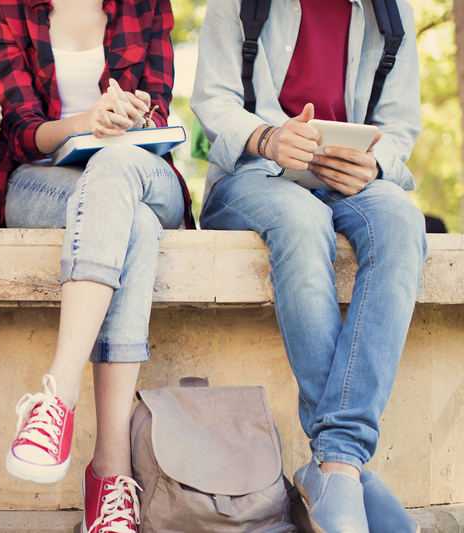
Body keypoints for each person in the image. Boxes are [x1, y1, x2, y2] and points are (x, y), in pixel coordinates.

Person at [191, 1, 425, 532]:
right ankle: (345, 468)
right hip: (254, 176)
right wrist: (269, 138)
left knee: (403, 225)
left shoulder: (393, 12)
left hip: (350, 180)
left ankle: (335, 464)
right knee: (302, 221)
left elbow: (400, 126)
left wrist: (376, 162)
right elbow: (213, 99)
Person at [0, 0, 193, 531]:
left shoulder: (147, 6)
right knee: (134, 227)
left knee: (118, 166)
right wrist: (84, 123)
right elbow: (21, 130)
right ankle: (110, 473)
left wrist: (135, 118)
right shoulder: (10, 6)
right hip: (43, 179)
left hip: (142, 170)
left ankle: (57, 397)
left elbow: (160, 111)